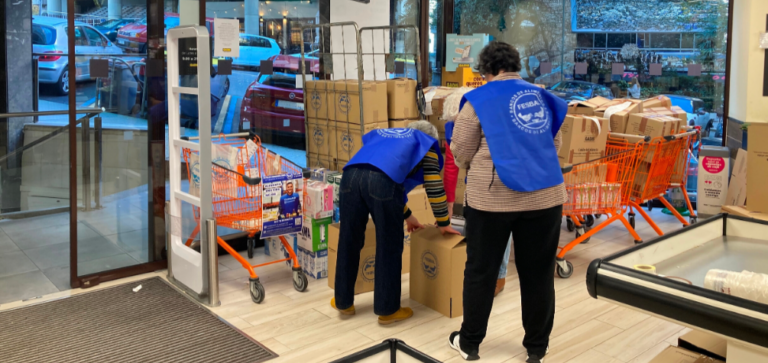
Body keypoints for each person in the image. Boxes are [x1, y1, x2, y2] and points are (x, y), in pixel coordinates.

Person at [447, 41, 568, 363]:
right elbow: (553, 144)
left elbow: (460, 149)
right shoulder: (542, 96)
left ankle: (469, 343)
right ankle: (536, 349)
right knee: (538, 273)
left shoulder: (478, 100)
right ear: (516, 66)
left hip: (492, 200)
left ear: (486, 70)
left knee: (481, 271)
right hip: (545, 196)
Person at [332, 121, 461, 325]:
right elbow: (433, 185)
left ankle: (343, 301)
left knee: (349, 239)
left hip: (349, 177)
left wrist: (409, 216)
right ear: (431, 138)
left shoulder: (389, 136)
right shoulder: (424, 144)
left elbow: (388, 182)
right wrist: (443, 221)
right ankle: (388, 309)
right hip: (382, 181)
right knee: (389, 244)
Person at [442, 87, 512, 297]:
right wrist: (448, 204)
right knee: (476, 227)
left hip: (503, 180)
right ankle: (473, 268)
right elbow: (451, 167)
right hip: (478, 181)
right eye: (454, 123)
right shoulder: (451, 127)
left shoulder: (493, 123)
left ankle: (500, 276)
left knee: (502, 226)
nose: (457, 128)